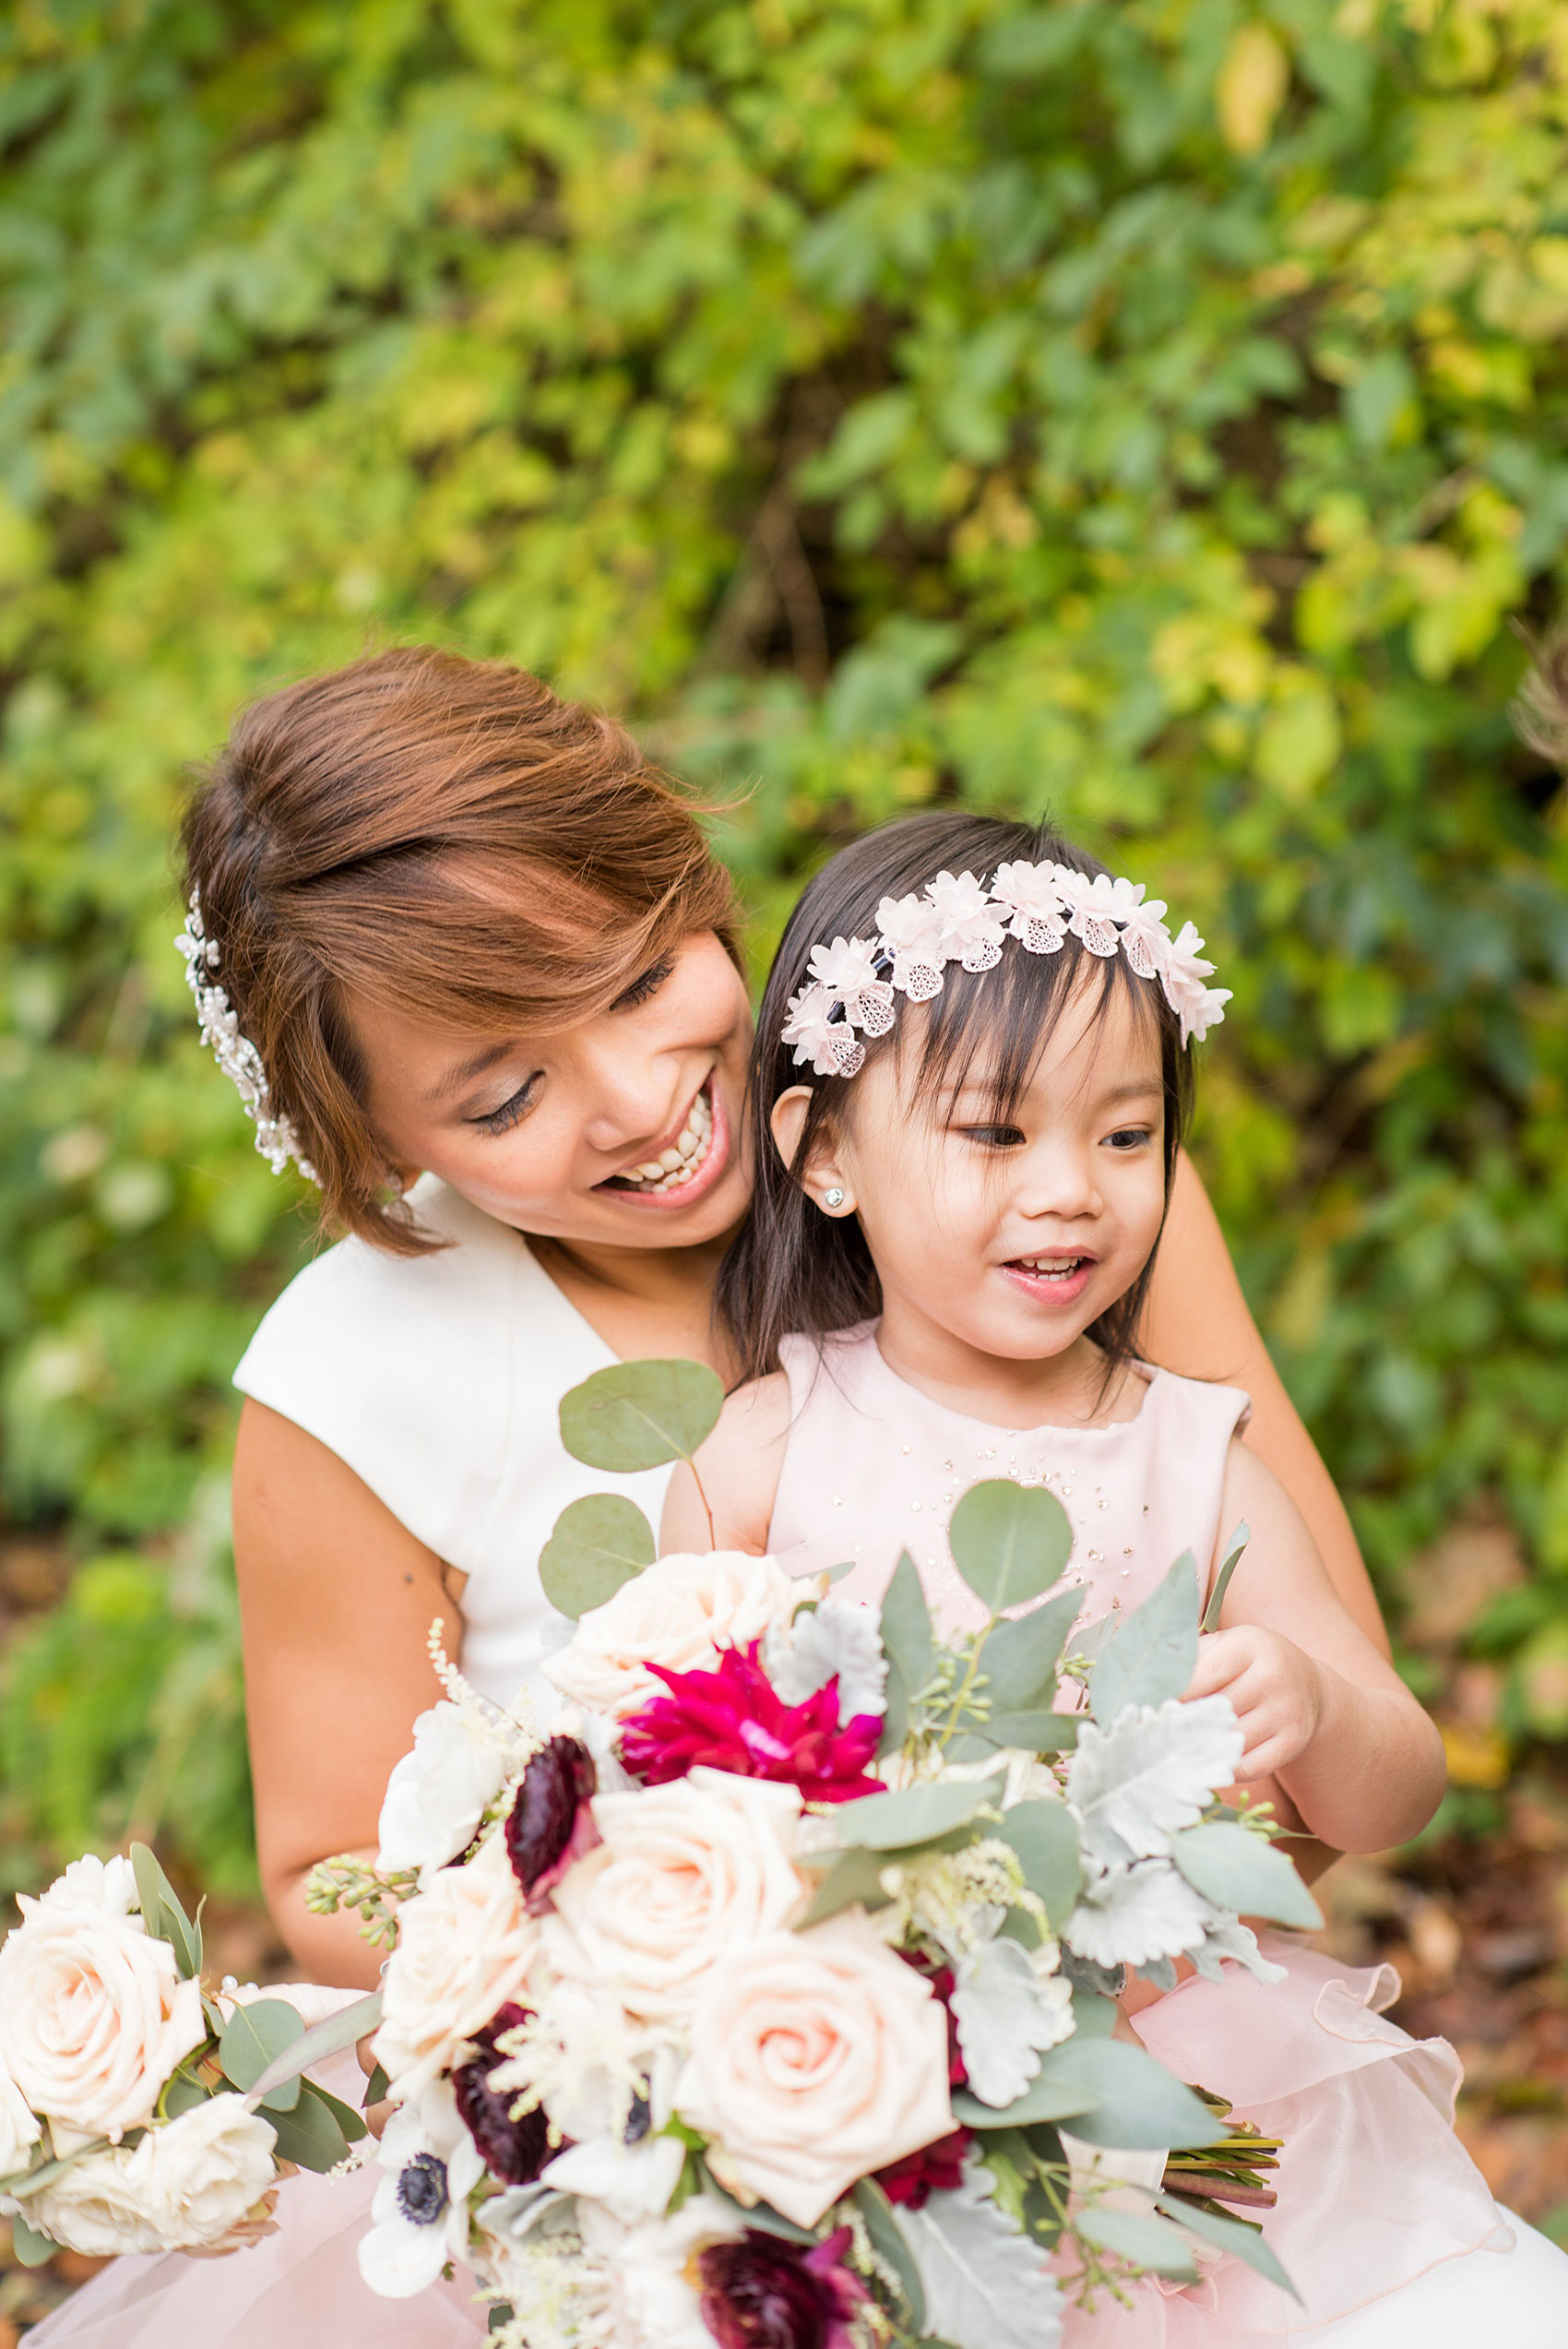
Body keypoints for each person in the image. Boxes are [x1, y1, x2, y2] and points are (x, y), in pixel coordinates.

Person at [29, 651, 1389, 2345]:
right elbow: (328, 1865)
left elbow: (1329, 1702)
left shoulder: (1032, 1159)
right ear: (373, 1144)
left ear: (684, 870)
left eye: (635, 975)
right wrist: (689, 1973)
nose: (641, 1100)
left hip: (1118, 2069)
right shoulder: (353, 1371)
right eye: (504, 1095)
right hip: (665, 2147)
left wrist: (1038, 1925)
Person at [659, 811, 1568, 2344]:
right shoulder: (761, 1448)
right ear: (823, 1156)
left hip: (1188, 2096)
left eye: (1127, 1133)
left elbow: (1399, 1781)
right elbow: (656, 1771)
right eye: (996, 1134)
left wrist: (1309, 1707)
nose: (1072, 1187)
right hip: (859, 2106)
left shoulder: (1192, 1454)